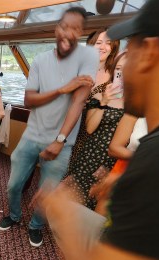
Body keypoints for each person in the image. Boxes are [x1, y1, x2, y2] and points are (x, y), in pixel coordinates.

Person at [14, 0, 159, 260]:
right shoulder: (155, 150)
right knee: (77, 214)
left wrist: (62, 214)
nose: (120, 69)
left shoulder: (156, 164)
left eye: (129, 52)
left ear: (150, 53)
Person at [0, 7, 98, 247]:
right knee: (13, 185)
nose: (68, 33)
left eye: (75, 28)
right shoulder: (41, 60)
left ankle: (36, 226)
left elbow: (78, 102)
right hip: (31, 136)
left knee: (47, 193)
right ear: (56, 29)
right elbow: (29, 100)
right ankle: (14, 215)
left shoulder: (88, 58)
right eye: (64, 26)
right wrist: (62, 89)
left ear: (80, 33)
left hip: (62, 143)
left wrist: (60, 140)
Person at [64, 53, 136, 210]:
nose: (122, 73)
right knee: (75, 200)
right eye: (118, 68)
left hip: (115, 159)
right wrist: (104, 101)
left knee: (99, 204)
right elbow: (90, 128)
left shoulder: (138, 101)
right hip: (90, 156)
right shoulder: (99, 95)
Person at [67, 28, 120, 164]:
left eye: (108, 43)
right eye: (98, 43)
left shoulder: (116, 77)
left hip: (95, 136)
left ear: (113, 48)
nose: (102, 47)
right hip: (68, 128)